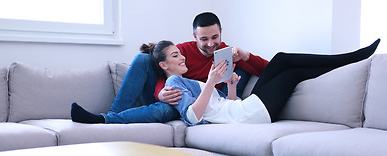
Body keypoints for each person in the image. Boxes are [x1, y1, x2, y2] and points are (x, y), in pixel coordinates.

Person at [71, 12, 268, 124]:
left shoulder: (226, 53)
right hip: (171, 97)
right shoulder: (181, 51)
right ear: (195, 37)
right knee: (142, 59)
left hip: (190, 107)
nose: (210, 44)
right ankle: (109, 118)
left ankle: (105, 121)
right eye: (204, 39)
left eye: (214, 37)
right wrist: (161, 92)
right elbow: (163, 70)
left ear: (221, 32)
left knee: (164, 111)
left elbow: (266, 70)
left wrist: (247, 55)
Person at [147, 39, 380, 125]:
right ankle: (350, 60)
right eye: (175, 55)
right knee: (292, 74)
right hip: (248, 115)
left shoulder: (187, 80)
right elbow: (191, 118)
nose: (183, 56)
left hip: (241, 108)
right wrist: (210, 82)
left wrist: (229, 87)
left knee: (281, 59)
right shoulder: (175, 82)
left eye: (180, 52)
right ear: (164, 65)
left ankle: (347, 57)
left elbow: (225, 106)